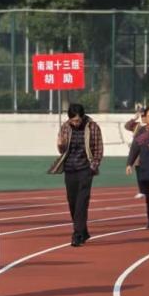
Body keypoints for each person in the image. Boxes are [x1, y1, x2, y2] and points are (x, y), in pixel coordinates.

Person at [52, 103, 103, 247]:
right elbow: (62, 150)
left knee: (82, 202)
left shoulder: (92, 127)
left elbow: (98, 148)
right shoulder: (65, 127)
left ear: (82, 117)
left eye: (78, 120)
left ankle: (77, 234)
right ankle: (83, 231)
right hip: (69, 169)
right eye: (73, 120)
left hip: (85, 169)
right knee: (72, 202)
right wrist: (60, 144)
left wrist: (93, 165)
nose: (75, 123)